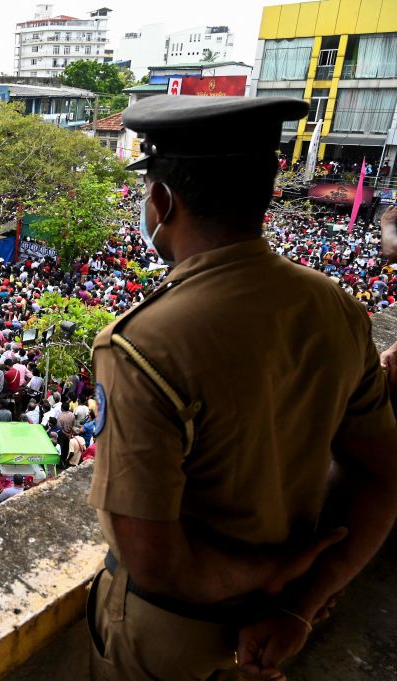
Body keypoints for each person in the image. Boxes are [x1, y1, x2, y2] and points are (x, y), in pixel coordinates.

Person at [88, 95, 397, 681]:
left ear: (162, 201)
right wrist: (299, 603)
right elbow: (379, 476)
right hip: (278, 619)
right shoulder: (335, 307)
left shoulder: (140, 344)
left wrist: (273, 572)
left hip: (170, 636)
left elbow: (154, 564)